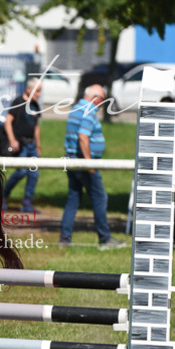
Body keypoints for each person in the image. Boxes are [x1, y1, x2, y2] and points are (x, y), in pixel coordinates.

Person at [59, 83, 126, 249]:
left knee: (73, 199)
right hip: (83, 162)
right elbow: (83, 136)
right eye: (102, 100)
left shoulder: (76, 108)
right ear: (95, 98)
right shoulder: (89, 110)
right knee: (100, 197)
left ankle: (64, 239)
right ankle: (105, 238)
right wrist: (89, 163)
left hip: (72, 159)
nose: (102, 105)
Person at [2, 78, 42, 213]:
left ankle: (27, 202)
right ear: (29, 89)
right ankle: (3, 196)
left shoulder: (35, 105)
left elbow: (36, 127)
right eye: (37, 91)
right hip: (21, 144)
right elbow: (7, 122)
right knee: (21, 172)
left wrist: (38, 146)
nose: (39, 94)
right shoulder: (18, 102)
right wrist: (12, 140)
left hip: (32, 145)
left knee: (34, 173)